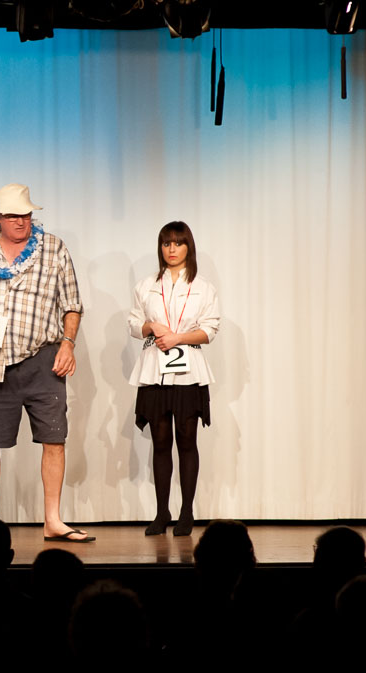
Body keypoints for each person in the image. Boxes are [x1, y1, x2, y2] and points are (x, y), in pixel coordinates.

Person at [0, 183, 92, 542]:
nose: (21, 221)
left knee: (54, 438)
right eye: (13, 215)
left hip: (43, 357)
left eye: (26, 215)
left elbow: (72, 304)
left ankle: (53, 520)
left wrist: (68, 344)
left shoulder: (54, 248)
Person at [128, 221, 220, 536]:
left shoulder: (204, 287)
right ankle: (161, 512)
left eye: (178, 243)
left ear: (188, 247)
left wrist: (178, 337)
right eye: (166, 243)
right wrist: (151, 327)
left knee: (187, 440)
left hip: (189, 372)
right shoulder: (146, 285)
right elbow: (133, 323)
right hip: (155, 370)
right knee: (160, 442)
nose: (171, 249)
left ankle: (186, 512)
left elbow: (210, 329)